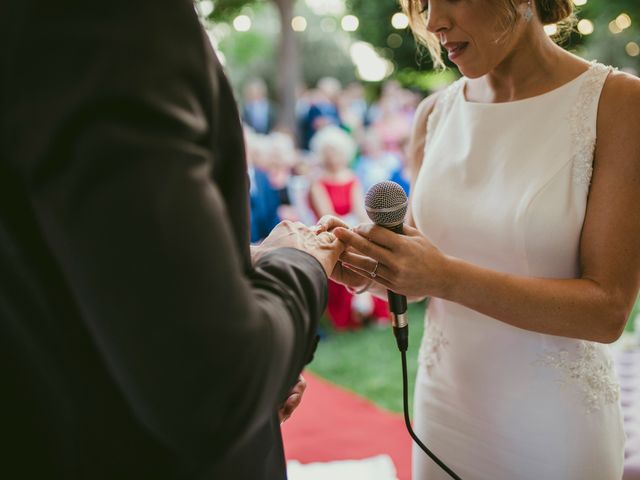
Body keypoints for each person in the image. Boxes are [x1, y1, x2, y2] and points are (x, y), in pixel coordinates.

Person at [0, 2, 344, 479]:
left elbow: (84, 248)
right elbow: (214, 386)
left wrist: (236, 276)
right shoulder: (108, 18)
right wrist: (299, 260)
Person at [320, 0, 640, 478]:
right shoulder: (433, 115)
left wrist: (445, 277)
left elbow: (607, 311)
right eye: (423, 4)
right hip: (443, 411)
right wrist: (373, 272)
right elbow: (424, 276)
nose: (432, 22)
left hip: (553, 430)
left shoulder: (619, 104)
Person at [309, 127, 389, 329]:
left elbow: (359, 210)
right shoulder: (318, 183)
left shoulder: (352, 178)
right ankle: (354, 313)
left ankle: (372, 308)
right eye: (328, 151)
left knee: (368, 250)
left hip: (352, 227)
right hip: (331, 232)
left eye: (335, 151)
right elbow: (326, 215)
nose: (332, 156)